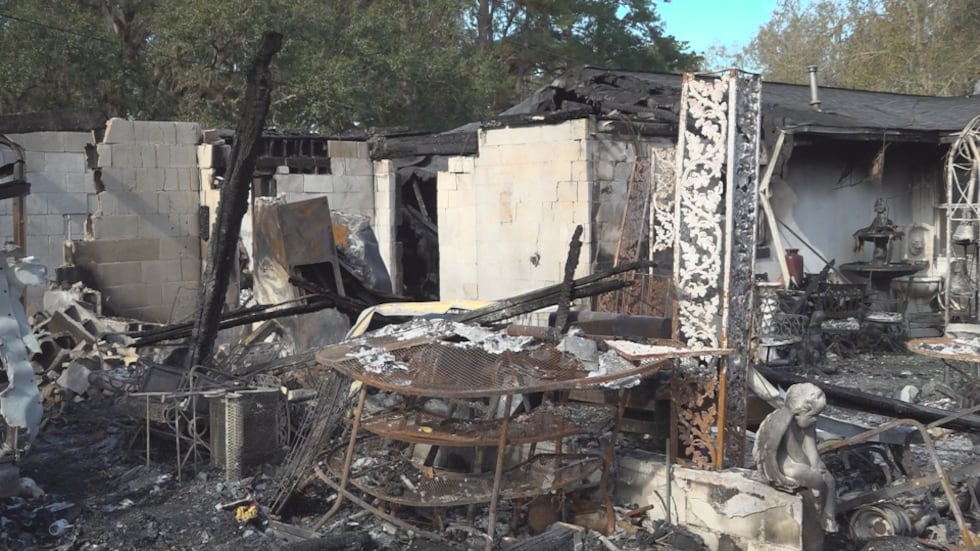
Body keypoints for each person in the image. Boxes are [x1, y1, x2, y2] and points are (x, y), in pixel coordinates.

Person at [753, 382, 838, 532]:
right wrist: (814, 472)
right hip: (784, 465)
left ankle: (828, 517)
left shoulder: (808, 423)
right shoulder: (786, 425)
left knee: (829, 479)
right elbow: (796, 454)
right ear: (798, 413)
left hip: (800, 461)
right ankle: (816, 507)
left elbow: (811, 450)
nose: (815, 420)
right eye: (812, 416)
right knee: (814, 478)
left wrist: (817, 465)